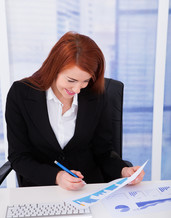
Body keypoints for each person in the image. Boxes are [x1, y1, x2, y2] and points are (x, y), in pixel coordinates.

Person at [5, 31, 145, 190]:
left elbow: (103, 152)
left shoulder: (95, 97)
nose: (77, 89)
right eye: (71, 80)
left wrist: (123, 170)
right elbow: (19, 157)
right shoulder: (21, 94)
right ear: (54, 68)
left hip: (88, 189)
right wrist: (57, 177)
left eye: (85, 81)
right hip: (41, 189)